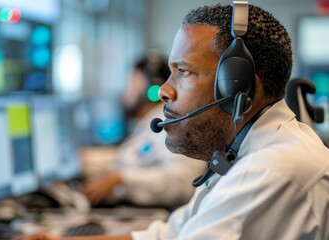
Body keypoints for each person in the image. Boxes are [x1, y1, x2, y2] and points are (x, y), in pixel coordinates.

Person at [23, 2, 329, 240]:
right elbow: (169, 234)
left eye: (184, 72)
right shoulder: (242, 153)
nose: (164, 92)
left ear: (238, 86)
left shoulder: (270, 170)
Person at [81, 53, 206, 208]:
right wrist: (89, 159)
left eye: (131, 82)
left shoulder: (170, 121)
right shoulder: (152, 120)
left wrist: (121, 179)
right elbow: (137, 156)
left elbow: (184, 181)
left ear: (148, 87)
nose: (126, 91)